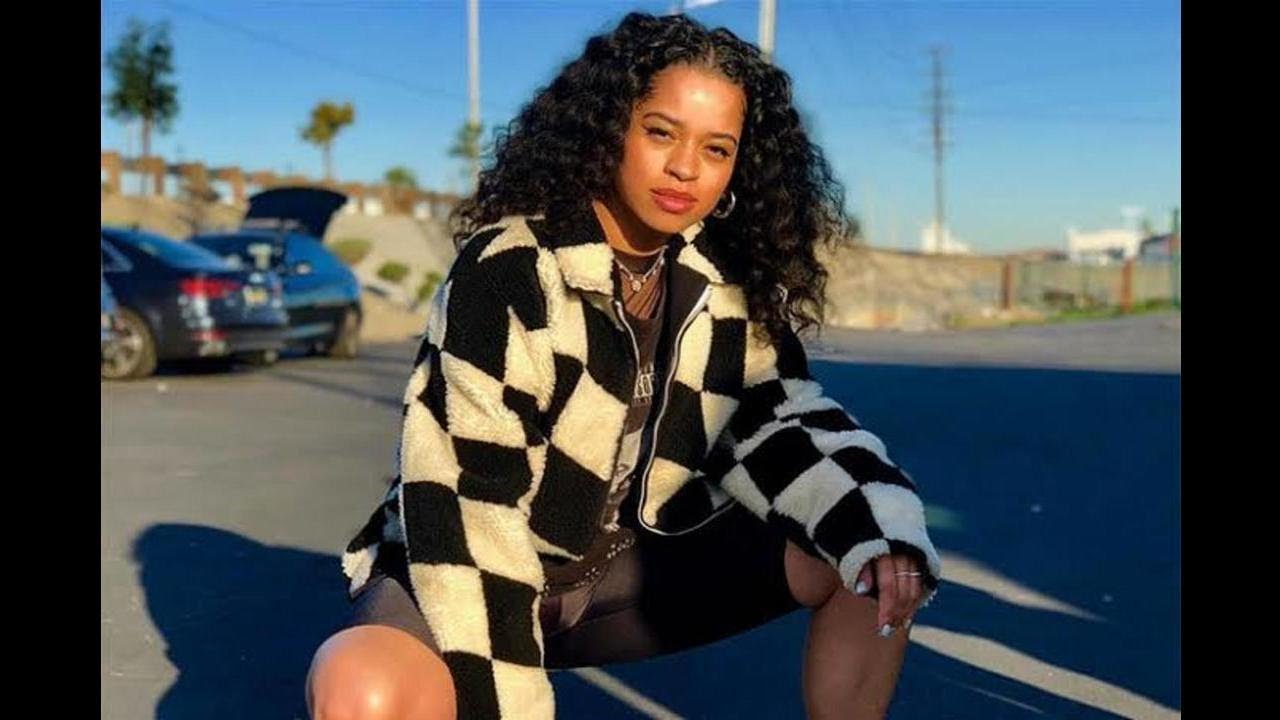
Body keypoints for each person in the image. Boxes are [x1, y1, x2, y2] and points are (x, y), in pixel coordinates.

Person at [307, 12, 941, 720]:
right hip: (478, 563)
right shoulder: (512, 269)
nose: (685, 168)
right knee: (362, 687)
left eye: (716, 148)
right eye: (661, 132)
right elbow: (469, 508)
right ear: (609, 129)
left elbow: (779, 421)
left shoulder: (722, 283)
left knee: (870, 553)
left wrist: (881, 527)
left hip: (625, 570)